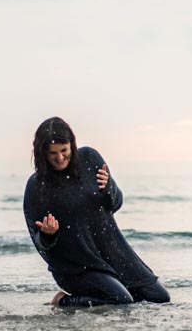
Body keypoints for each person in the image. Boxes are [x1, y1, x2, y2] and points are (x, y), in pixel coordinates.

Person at [23, 117, 170, 307]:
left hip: (113, 253)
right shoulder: (37, 186)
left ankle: (114, 286)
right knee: (121, 299)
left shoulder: (90, 159)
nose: (59, 157)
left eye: (64, 150)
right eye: (53, 153)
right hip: (75, 267)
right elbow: (40, 242)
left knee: (159, 298)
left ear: (72, 145)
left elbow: (115, 203)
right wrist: (47, 235)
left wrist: (109, 188)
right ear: (42, 153)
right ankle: (62, 301)